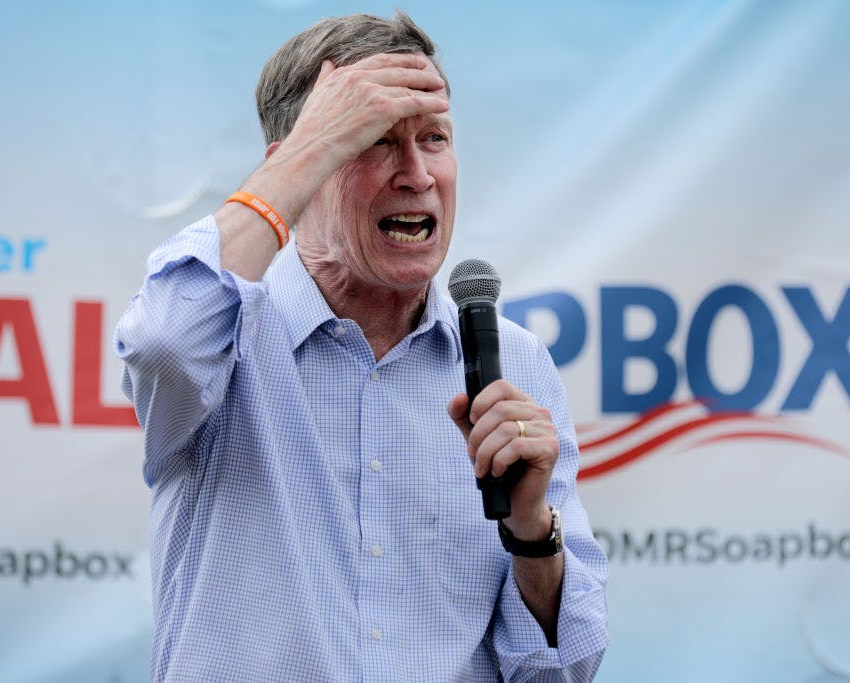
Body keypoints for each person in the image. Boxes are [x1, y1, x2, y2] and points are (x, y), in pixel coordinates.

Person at [115, 11, 608, 681]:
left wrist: (530, 527)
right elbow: (162, 343)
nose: (416, 173)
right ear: (299, 165)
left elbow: (564, 667)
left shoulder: (514, 362)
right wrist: (302, 155)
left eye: (434, 138)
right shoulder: (223, 337)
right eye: (374, 140)